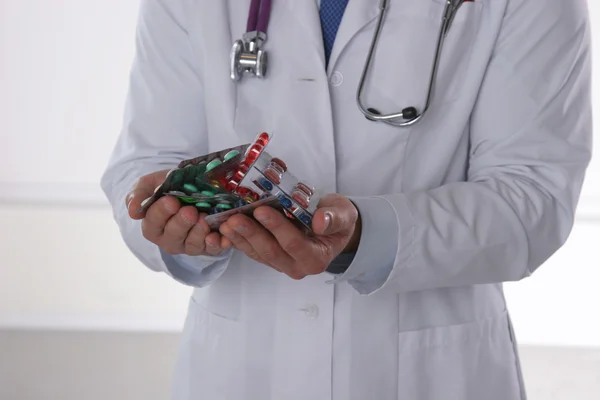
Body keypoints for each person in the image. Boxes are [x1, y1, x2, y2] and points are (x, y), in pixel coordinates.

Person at [101, 0, 593, 398]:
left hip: (430, 371)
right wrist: (173, 226)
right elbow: (144, 163)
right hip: (240, 366)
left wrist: (364, 235)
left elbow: (532, 200)